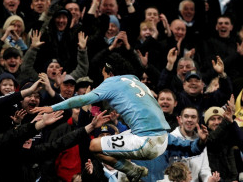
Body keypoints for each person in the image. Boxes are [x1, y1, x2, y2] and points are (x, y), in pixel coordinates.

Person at [32, 52, 171, 181]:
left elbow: (82, 100)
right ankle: (132, 170)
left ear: (110, 73)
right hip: (162, 139)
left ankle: (133, 170)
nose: (103, 79)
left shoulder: (111, 82)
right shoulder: (135, 80)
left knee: (93, 146)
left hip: (147, 142)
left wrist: (52, 107)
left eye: (104, 75)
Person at [171, 107, 219, 182]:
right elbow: (165, 170)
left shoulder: (201, 140)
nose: (189, 119)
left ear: (197, 120)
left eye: (193, 117)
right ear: (180, 119)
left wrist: (209, 179)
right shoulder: (171, 139)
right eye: (186, 116)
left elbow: (204, 169)